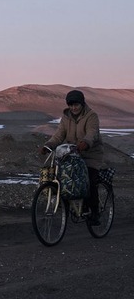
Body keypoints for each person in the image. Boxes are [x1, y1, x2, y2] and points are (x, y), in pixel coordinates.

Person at [40, 89, 105, 225]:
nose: (74, 108)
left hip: (90, 155)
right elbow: (59, 134)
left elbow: (92, 133)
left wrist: (85, 143)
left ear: (82, 104)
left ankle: (95, 212)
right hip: (72, 154)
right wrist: (49, 145)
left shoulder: (91, 116)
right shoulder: (66, 117)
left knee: (89, 181)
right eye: (71, 105)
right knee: (64, 179)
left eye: (76, 105)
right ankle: (68, 208)